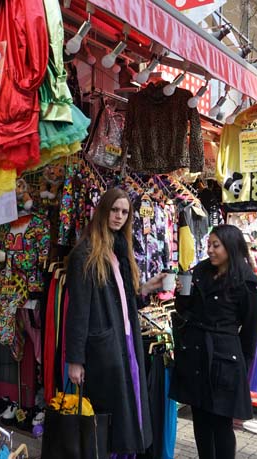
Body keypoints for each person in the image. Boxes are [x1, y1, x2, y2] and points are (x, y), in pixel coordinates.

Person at [66, 188, 167, 457]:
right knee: (108, 416)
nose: (119, 216)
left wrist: (145, 289)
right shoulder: (85, 254)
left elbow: (123, 300)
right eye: (114, 210)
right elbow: (78, 310)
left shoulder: (119, 250)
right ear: (103, 211)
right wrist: (75, 359)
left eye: (124, 212)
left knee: (127, 411)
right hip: (103, 347)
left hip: (126, 343)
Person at [170, 224, 257, 459]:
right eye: (209, 245)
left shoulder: (246, 281)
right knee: (200, 419)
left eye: (215, 245)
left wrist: (242, 366)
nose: (210, 250)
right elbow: (185, 309)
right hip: (197, 353)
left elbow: (251, 331)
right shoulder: (201, 270)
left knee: (221, 423)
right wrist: (181, 294)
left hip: (225, 358)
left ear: (230, 247)